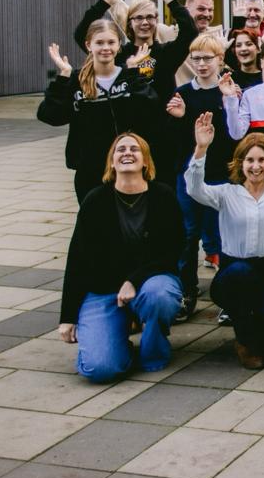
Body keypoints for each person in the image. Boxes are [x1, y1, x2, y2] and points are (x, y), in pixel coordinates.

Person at [56, 132, 184, 382]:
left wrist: (134, 281)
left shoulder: (163, 196)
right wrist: (68, 317)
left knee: (160, 296)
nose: (127, 153)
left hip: (150, 283)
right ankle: (120, 342)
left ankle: (153, 352)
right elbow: (77, 261)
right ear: (112, 162)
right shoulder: (95, 200)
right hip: (104, 290)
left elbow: (172, 250)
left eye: (134, 149)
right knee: (99, 369)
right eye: (120, 149)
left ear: (145, 161)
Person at [186, 114, 264, 368]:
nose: (256, 166)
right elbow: (194, 189)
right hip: (233, 273)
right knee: (242, 275)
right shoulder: (226, 193)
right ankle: (245, 338)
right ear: (240, 163)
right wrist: (201, 149)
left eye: (262, 160)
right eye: (250, 160)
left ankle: (260, 335)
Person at [159, 32, 236, 318]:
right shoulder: (183, 93)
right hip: (189, 174)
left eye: (207, 58)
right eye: (196, 59)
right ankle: (187, 291)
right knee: (187, 234)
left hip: (221, 174)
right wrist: (178, 119)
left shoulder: (227, 90)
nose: (202, 64)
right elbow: (172, 141)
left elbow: (235, 135)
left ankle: (227, 295)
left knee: (222, 236)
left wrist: (230, 102)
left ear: (220, 59)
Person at [40, 24, 160, 204]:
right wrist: (63, 77)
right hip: (90, 170)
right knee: (93, 219)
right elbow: (50, 116)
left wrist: (133, 73)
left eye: (111, 42)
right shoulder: (76, 80)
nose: (106, 48)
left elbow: (151, 109)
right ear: (89, 45)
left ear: (119, 45)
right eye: (99, 43)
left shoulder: (128, 77)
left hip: (128, 166)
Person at [73, 0, 197, 101]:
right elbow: (81, 34)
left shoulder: (167, 53)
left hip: (163, 115)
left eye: (150, 17)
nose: (145, 22)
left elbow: (190, 32)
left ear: (156, 20)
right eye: (138, 18)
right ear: (130, 23)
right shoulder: (117, 55)